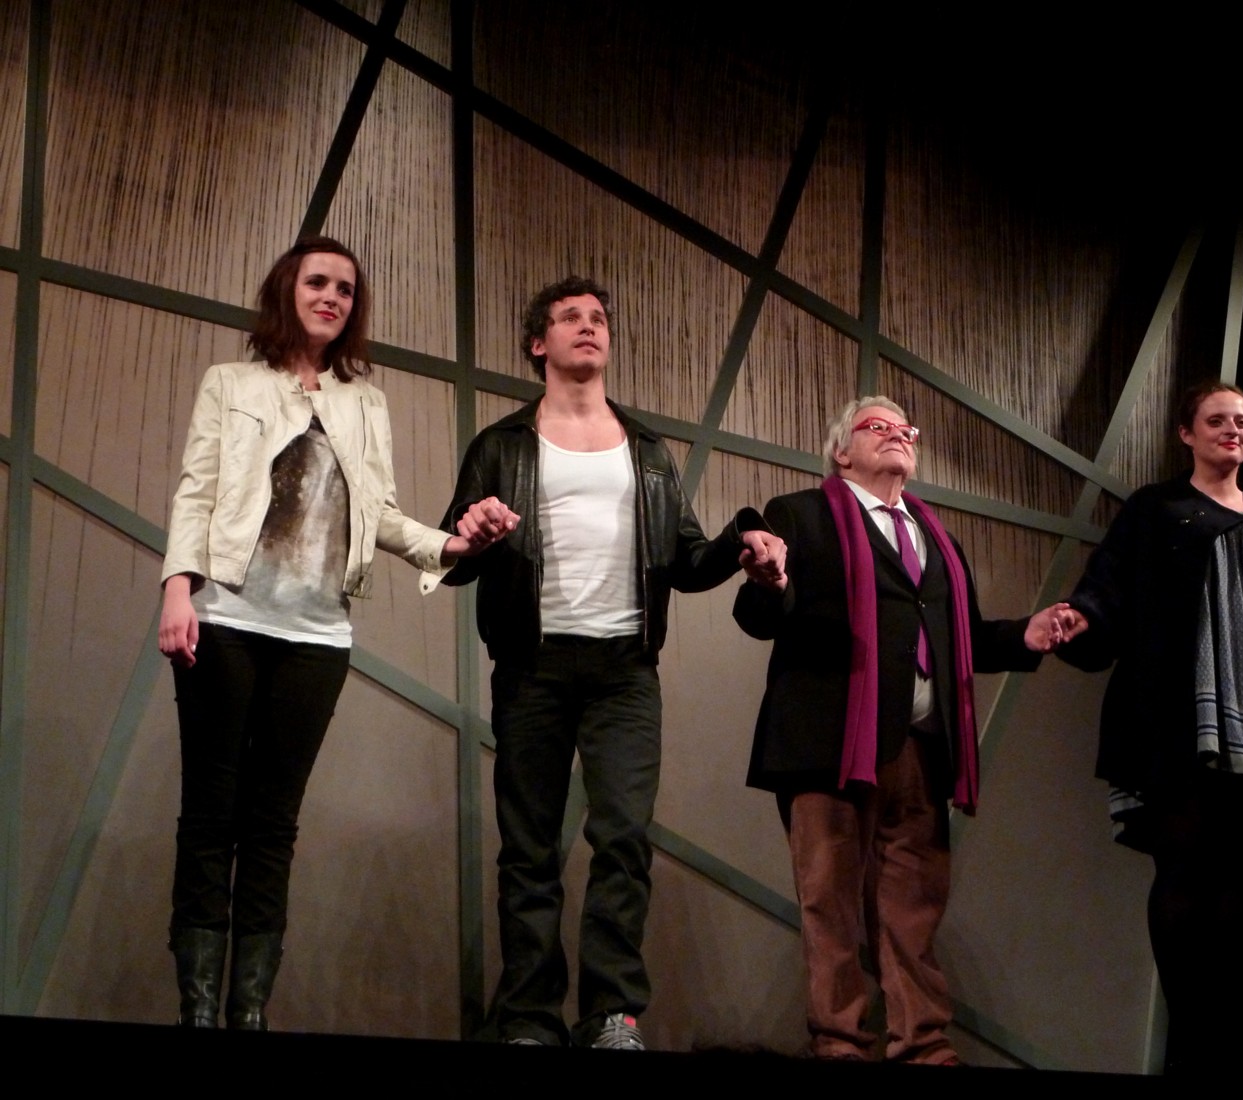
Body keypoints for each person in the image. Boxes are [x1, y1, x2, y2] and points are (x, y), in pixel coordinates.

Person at [425, 276, 785, 1050]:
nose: (588, 327)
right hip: (532, 667)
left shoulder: (647, 450)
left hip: (625, 671)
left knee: (622, 839)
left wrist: (742, 541)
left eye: (597, 319)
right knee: (529, 849)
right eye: (569, 318)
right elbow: (450, 558)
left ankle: (611, 1013)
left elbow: (685, 561)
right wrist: (472, 531)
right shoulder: (500, 445)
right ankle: (527, 1017)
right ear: (538, 343)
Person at [157, 236, 501, 1030]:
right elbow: (197, 491)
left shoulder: (364, 402)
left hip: (317, 637)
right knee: (210, 816)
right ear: (288, 289)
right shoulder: (231, 383)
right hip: (227, 619)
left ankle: (248, 1013)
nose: (332, 297)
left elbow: (379, 513)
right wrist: (177, 590)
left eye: (345, 289)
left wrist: (452, 545)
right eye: (318, 282)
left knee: (272, 825)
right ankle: (198, 1012)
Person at [733, 397, 1067, 1064]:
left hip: (921, 748)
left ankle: (923, 1046)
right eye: (877, 427)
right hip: (827, 745)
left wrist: (1024, 635)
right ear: (841, 452)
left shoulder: (935, 536)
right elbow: (759, 614)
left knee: (914, 909)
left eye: (905, 429)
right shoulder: (799, 515)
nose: (897, 436)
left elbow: (962, 638)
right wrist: (769, 581)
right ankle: (840, 1045)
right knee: (830, 904)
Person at [1055, 381, 1243, 1073]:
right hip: (1189, 723)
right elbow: (1108, 590)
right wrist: (1081, 620)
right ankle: (1190, 1043)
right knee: (1188, 866)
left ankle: (1235, 1044)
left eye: (1242, 421)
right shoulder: (1157, 509)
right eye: (1216, 420)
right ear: (1185, 434)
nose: (1232, 430)